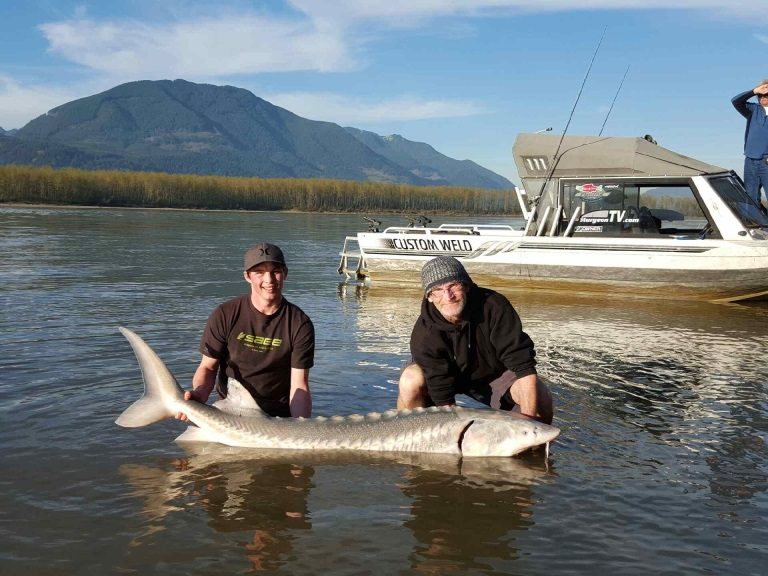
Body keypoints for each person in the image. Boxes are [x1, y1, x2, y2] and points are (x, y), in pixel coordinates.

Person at [398, 256, 553, 424]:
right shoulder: (424, 334)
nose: (448, 296)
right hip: (444, 377)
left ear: (466, 286)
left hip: (491, 375)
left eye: (453, 286)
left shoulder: (495, 307)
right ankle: (409, 431)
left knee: (541, 397)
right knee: (410, 381)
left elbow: (523, 367)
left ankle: (533, 439)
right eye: (438, 290)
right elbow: (440, 390)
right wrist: (452, 429)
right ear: (429, 296)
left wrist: (529, 424)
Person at [177, 242, 314, 420]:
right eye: (259, 272)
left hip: (278, 418)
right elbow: (208, 367)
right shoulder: (225, 314)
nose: (269, 280)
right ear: (247, 276)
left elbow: (299, 385)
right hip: (230, 411)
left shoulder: (300, 323)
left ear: (285, 273)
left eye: (275, 271)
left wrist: (301, 425)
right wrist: (199, 395)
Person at [732, 81, 768, 209]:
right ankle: (756, 222)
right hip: (751, 161)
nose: (763, 97)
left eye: (766, 95)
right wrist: (754, 91)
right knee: (751, 200)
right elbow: (735, 101)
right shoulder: (752, 110)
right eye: (760, 95)